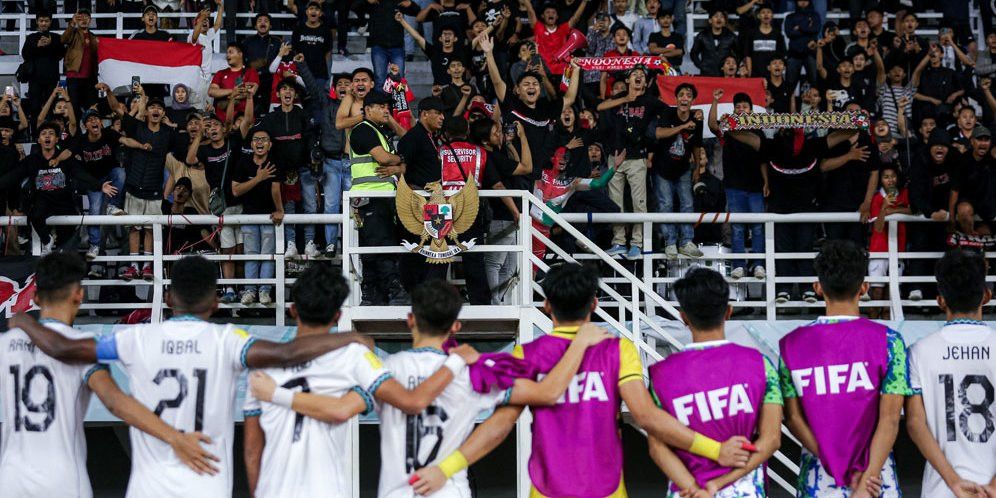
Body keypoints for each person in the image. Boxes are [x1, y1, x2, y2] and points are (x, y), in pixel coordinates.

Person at [7, 254, 376, 498]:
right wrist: (351, 336)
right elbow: (286, 352)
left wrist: (21, 320)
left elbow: (65, 349)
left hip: (147, 488)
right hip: (206, 484)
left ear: (168, 299)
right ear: (216, 303)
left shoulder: (134, 339)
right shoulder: (229, 341)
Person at [409, 263, 753, 497]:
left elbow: (499, 426)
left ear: (546, 306)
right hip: (607, 489)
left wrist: (446, 468)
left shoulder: (526, 355)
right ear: (595, 304)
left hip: (545, 490)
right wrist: (715, 450)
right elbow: (647, 417)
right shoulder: (618, 350)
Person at [242, 268, 477, 497]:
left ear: (293, 310)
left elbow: (253, 451)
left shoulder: (261, 366)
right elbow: (409, 401)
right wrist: (455, 363)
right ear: (338, 315)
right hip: (328, 490)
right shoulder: (354, 356)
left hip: (272, 490)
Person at [0, 253, 219, 498]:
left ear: (37, 298)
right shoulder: (81, 344)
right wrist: (175, 438)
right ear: (79, 295)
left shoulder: (6, 343)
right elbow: (114, 401)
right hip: (61, 480)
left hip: (11, 479)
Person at [779, 240, 913, 498]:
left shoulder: (791, 345)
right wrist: (867, 478)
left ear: (818, 288)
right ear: (864, 287)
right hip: (876, 481)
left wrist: (834, 461)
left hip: (817, 479)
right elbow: (890, 418)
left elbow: (793, 418)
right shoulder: (889, 341)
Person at [647, 268, 783, 497]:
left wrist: (694, 488)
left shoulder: (660, 375)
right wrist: (717, 485)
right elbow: (771, 440)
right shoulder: (761, 365)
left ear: (683, 317)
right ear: (728, 312)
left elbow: (657, 448)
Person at [906, 249, 996, 498]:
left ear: (940, 300)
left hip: (942, 489)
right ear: (986, 296)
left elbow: (914, 423)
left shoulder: (918, 352)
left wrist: (954, 482)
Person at [0, 122, 114, 254]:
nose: (47, 136)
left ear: (57, 139)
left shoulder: (65, 159)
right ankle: (47, 240)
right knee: (34, 214)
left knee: (65, 244)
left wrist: (99, 185)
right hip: (42, 200)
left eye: (51, 134)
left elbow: (80, 174)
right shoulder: (32, 160)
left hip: (64, 202)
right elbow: (13, 176)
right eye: (43, 134)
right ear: (39, 140)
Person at [347, 90, 411, 306]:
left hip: (382, 198)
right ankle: (393, 293)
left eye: (388, 106)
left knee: (377, 247)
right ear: (367, 110)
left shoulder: (379, 132)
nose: (387, 110)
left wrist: (397, 166)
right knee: (380, 246)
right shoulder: (362, 130)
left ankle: (375, 298)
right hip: (368, 198)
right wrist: (401, 160)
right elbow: (384, 159)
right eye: (381, 106)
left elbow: (398, 168)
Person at [471, 118, 532, 304]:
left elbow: (513, 162)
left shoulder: (493, 155)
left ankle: (502, 302)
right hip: (500, 216)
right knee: (495, 262)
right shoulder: (491, 157)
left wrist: (508, 143)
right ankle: (495, 303)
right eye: (495, 132)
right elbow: (527, 167)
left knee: (510, 266)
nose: (500, 134)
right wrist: (523, 138)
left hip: (507, 216)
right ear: (484, 140)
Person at [708, 90, 765, 280]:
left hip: (756, 186)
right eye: (737, 107)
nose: (741, 110)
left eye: (745, 107)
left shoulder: (759, 130)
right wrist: (715, 101)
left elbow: (764, 159)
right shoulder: (728, 129)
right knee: (738, 227)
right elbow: (712, 125)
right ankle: (739, 264)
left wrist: (767, 182)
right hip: (734, 186)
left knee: (758, 227)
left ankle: (758, 264)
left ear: (751, 111)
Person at [258, 77, 318, 260]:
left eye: (291, 89)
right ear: (278, 94)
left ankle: (309, 243)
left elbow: (310, 140)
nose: (287, 92)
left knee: (311, 206)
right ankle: (290, 244)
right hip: (281, 172)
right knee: (288, 208)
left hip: (304, 169)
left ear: (295, 94)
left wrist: (312, 160)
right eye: (283, 89)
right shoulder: (270, 118)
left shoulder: (303, 115)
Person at [72, 108, 140, 261]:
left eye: (96, 119)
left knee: (120, 173)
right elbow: (69, 156)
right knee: (95, 210)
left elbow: (125, 141)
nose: (94, 121)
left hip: (110, 175)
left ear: (101, 123)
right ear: (85, 126)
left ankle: (112, 206)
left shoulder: (109, 133)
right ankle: (94, 245)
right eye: (90, 120)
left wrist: (141, 146)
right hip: (94, 181)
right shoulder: (81, 141)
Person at [299, 64, 351, 257]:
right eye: (340, 84)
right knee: (330, 206)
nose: (344, 86)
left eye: (347, 83)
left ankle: (350, 242)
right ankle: (330, 244)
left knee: (353, 206)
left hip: (353, 164)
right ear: (334, 88)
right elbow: (312, 87)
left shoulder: (360, 106)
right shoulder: (326, 103)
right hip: (330, 162)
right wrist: (302, 65)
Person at [650, 82, 706, 259]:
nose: (684, 98)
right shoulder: (668, 112)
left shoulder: (697, 119)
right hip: (662, 168)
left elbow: (697, 145)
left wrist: (697, 167)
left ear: (692, 100)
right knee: (665, 204)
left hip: (683, 169)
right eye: (681, 95)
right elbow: (658, 133)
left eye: (688, 96)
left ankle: (686, 242)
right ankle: (670, 243)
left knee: (687, 204)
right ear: (676, 98)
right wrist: (682, 127)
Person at [232, 126, 283, 306]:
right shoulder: (243, 162)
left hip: (269, 216)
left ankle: (264, 291)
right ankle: (250, 291)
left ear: (270, 145)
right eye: (256, 139)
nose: (259, 142)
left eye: (263, 139)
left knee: (268, 255)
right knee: (251, 255)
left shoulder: (274, 162)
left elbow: (275, 189)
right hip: (249, 216)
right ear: (251, 144)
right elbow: (236, 190)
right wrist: (258, 178)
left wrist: (279, 210)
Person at [865, 164, 910, 317]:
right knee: (877, 291)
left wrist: (895, 209)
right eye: (886, 177)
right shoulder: (877, 198)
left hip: (898, 249)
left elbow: (914, 210)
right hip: (878, 249)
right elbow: (877, 227)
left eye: (893, 176)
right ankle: (872, 327)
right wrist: (884, 208)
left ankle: (888, 329)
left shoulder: (904, 193)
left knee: (892, 292)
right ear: (881, 180)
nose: (890, 180)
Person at [523, 0, 590, 79]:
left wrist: (584, 2)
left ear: (557, 17)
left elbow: (575, 18)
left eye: (553, 13)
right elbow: (531, 11)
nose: (551, 14)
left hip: (562, 72)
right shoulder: (538, 28)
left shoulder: (563, 29)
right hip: (543, 72)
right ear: (542, 16)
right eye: (547, 12)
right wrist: (526, 2)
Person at [20, 10, 64, 122]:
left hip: (52, 79)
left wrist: (51, 45)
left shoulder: (56, 37)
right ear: (37, 22)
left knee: (51, 107)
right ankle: (35, 135)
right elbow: (25, 55)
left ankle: (52, 132)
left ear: (50, 22)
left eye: (46, 21)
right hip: (34, 79)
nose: (43, 23)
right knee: (34, 107)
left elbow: (61, 55)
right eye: (41, 21)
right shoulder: (31, 37)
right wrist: (37, 46)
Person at [244, 13, 284, 116]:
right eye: (259, 21)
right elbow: (243, 63)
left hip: (270, 82)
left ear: (270, 26)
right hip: (251, 82)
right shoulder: (247, 42)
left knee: (269, 113)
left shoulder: (277, 42)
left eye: (266, 21)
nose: (262, 23)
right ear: (255, 26)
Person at [209, 43, 260, 122]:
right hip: (222, 121)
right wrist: (233, 91)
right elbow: (212, 91)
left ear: (240, 54)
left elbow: (249, 92)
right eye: (227, 53)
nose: (227, 55)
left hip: (243, 121)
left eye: (231, 52)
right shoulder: (220, 73)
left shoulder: (251, 72)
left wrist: (224, 93)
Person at [61, 8, 98, 113]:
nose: (83, 20)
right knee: (74, 109)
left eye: (86, 17)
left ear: (90, 20)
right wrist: (72, 24)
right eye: (80, 17)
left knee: (91, 109)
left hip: (90, 79)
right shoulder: (73, 33)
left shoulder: (94, 37)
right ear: (76, 20)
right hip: (74, 77)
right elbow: (63, 39)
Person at [292, 2, 333, 90]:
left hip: (320, 74)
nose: (313, 11)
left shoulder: (326, 30)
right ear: (306, 12)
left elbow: (328, 53)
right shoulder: (299, 28)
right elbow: (295, 50)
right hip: (302, 72)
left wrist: (327, 74)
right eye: (311, 9)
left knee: (319, 100)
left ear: (321, 13)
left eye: (317, 9)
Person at [784, 0, 820, 90]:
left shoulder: (815, 16)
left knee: (816, 83)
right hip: (794, 53)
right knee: (789, 86)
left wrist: (799, 27)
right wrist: (807, 26)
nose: (803, 2)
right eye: (800, 0)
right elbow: (789, 33)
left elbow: (815, 29)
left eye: (805, 0)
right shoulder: (790, 17)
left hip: (810, 53)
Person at [689, 9, 736, 77]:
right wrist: (701, 66)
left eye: (721, 17)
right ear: (710, 20)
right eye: (716, 16)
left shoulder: (731, 36)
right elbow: (693, 53)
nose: (719, 19)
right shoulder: (702, 35)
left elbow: (739, 53)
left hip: (724, 75)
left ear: (725, 21)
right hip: (706, 75)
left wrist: (731, 65)